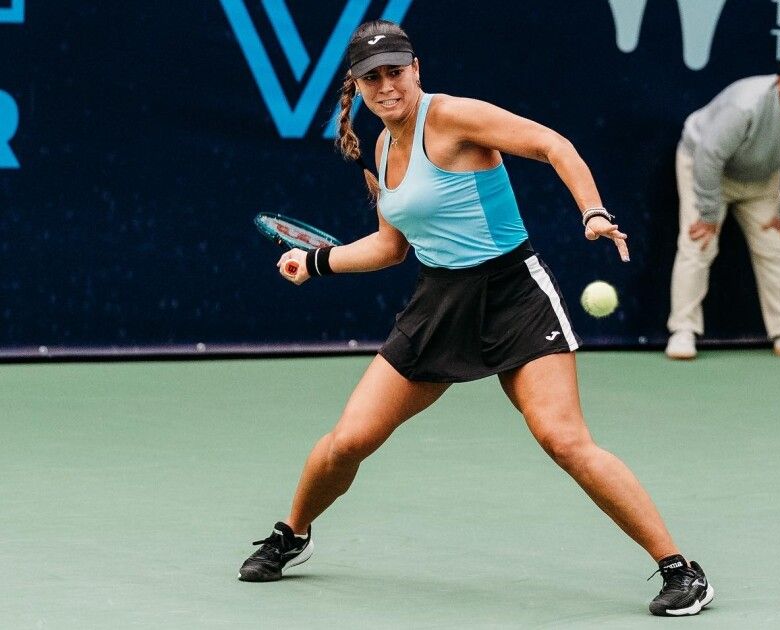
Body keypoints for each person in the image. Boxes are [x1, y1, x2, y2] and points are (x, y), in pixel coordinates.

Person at [238, 20, 713, 617]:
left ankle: (681, 570)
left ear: (416, 70)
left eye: (395, 72)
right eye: (371, 77)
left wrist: (591, 212)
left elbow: (552, 145)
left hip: (514, 293)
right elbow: (391, 247)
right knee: (349, 440)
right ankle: (293, 533)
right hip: (439, 302)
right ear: (356, 86)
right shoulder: (382, 148)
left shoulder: (455, 117)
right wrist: (317, 261)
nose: (386, 86)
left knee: (562, 439)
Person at [665, 51, 780, 360]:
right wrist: (708, 214)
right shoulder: (746, 106)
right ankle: (683, 331)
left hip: (761, 177)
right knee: (699, 242)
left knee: (776, 244)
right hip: (706, 168)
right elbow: (709, 156)